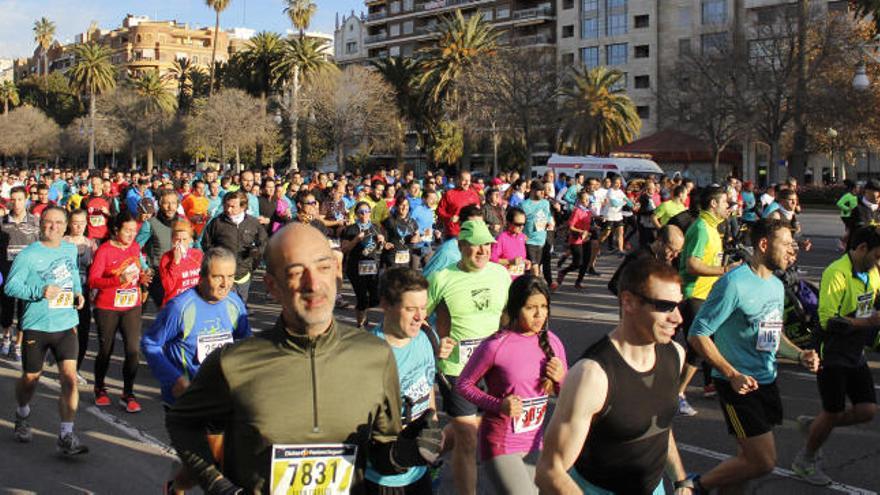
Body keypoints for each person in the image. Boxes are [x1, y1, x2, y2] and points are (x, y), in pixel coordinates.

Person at [165, 223, 442, 494]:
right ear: (272, 287)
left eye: (323, 267)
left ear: (337, 274)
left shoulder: (376, 356)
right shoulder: (232, 363)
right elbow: (182, 422)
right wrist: (216, 483)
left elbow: (381, 452)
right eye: (296, 272)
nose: (313, 284)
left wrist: (403, 453)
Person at [535, 258, 691, 494]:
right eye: (665, 306)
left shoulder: (675, 355)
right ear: (628, 302)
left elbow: (659, 425)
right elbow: (549, 471)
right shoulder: (592, 376)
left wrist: (680, 480)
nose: (678, 318)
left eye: (679, 305)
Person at [687, 219, 820, 493]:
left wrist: (799, 355)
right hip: (738, 386)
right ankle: (692, 485)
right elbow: (698, 333)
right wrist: (731, 374)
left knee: (746, 461)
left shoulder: (776, 285)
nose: (791, 251)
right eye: (785, 244)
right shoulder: (733, 284)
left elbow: (772, 336)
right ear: (763, 244)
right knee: (763, 461)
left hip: (766, 382)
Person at [142, 247, 250, 495]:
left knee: (213, 458)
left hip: (222, 395)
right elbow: (150, 343)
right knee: (210, 459)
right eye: (218, 277)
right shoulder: (180, 307)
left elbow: (245, 342)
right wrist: (174, 379)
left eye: (231, 277)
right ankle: (177, 486)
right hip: (185, 398)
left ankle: (175, 486)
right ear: (202, 276)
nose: (226, 284)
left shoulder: (234, 303)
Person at [457, 275, 567, 494]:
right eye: (531, 308)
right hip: (501, 442)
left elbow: (568, 396)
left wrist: (561, 379)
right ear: (516, 307)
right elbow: (464, 384)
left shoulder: (553, 342)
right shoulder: (496, 345)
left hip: (535, 443)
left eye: (544, 307)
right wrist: (498, 405)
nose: (539, 315)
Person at [426, 219, 511, 495]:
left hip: (494, 367)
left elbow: (508, 317)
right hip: (457, 368)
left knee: (476, 425)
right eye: (475, 246)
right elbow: (417, 315)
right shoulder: (442, 277)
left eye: (487, 244)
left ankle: (425, 456)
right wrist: (435, 342)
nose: (482, 251)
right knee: (468, 440)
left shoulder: (500, 274)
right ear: (461, 246)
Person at [791, 226, 880, 486]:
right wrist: (870, 322)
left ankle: (815, 426)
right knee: (832, 410)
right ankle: (804, 461)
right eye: (876, 256)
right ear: (861, 248)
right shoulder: (836, 273)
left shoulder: (872, 272)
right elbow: (829, 321)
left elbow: (873, 302)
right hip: (830, 351)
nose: (878, 262)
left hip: (855, 350)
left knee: (866, 410)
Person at [8, 207, 88, 455]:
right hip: (37, 326)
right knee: (31, 378)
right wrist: (38, 292)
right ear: (41, 224)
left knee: (69, 378)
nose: (53, 226)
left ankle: (66, 435)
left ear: (65, 226)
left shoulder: (68, 249)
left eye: (58, 222)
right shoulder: (28, 255)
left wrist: (78, 292)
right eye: (48, 222)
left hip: (65, 323)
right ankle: (22, 413)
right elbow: (10, 286)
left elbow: (73, 273)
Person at [365, 267, 449, 494]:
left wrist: (433, 427)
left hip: (419, 471)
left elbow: (428, 386)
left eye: (423, 308)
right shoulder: (369, 355)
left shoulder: (424, 337)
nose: (420, 316)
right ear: (386, 304)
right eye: (410, 309)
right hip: (384, 478)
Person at [677, 186, 738, 416]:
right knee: (698, 346)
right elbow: (692, 264)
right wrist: (724, 270)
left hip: (707, 294)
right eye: (725, 203)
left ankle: (710, 384)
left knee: (707, 343)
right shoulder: (702, 228)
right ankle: (678, 393)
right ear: (713, 204)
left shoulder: (712, 228)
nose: (728, 207)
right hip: (694, 294)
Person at [88, 212, 153, 413]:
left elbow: (135, 270)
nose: (131, 234)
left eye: (134, 230)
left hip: (131, 305)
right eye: (127, 230)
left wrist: (142, 278)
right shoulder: (104, 250)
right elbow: (93, 280)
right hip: (107, 307)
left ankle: (128, 393)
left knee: (133, 350)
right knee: (105, 351)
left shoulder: (134, 247)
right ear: (116, 230)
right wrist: (118, 280)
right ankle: (99, 387)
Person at [201, 190, 267, 305]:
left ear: (243, 207)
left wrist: (255, 253)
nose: (228, 209)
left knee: (239, 306)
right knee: (222, 305)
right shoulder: (217, 222)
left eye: (232, 206)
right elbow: (206, 243)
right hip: (222, 274)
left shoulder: (253, 223)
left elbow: (264, 242)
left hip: (243, 274)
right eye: (226, 206)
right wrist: (217, 257)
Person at [0, 186, 40, 362]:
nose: (16, 203)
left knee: (25, 310)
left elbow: (40, 248)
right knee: (6, 309)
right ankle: (6, 336)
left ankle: (18, 343)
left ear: (26, 200)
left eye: (20, 199)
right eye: (13, 199)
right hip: (6, 273)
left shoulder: (35, 222)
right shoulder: (2, 222)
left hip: (27, 276)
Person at [63, 209, 98, 385]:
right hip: (64, 292)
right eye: (75, 222)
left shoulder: (91, 244)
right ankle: (65, 367)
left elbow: (95, 270)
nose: (78, 226)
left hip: (83, 292)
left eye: (82, 222)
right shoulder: (62, 242)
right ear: (69, 223)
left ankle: (76, 369)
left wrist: (94, 290)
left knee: (83, 332)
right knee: (66, 332)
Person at [341, 201, 385, 328]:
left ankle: (363, 315)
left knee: (374, 299)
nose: (364, 214)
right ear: (356, 214)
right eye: (361, 212)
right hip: (355, 267)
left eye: (367, 211)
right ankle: (361, 324)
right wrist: (356, 239)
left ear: (370, 213)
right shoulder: (351, 229)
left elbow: (380, 248)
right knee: (362, 298)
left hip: (372, 266)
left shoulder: (376, 228)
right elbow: (344, 249)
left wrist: (382, 243)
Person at [608, 224, 685, 297]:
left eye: (678, 251)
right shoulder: (638, 258)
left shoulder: (672, 260)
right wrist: (638, 302)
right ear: (659, 241)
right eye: (672, 250)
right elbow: (614, 284)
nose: (675, 255)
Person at [143, 189, 183, 307]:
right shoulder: (150, 223)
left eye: (173, 203)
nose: (170, 207)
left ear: (177, 205)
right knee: (165, 310)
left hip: (178, 274)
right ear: (160, 204)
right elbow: (135, 247)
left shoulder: (183, 222)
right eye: (166, 203)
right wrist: (145, 267)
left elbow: (190, 245)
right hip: (157, 275)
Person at [557, 190, 596, 290]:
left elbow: (589, 224)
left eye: (588, 200)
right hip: (576, 239)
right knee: (577, 263)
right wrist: (581, 231)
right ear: (579, 200)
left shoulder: (588, 211)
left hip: (586, 238)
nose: (587, 202)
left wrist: (595, 224)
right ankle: (563, 272)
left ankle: (578, 282)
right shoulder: (577, 211)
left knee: (586, 262)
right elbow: (571, 227)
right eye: (585, 200)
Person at [159, 219, 203, 307]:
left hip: (194, 303)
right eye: (177, 239)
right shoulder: (166, 258)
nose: (181, 243)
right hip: (174, 305)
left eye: (184, 239)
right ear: (172, 240)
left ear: (191, 240)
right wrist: (176, 262)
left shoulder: (197, 255)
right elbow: (168, 287)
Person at [521, 180, 553, 277]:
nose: (543, 193)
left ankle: (529, 287)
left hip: (542, 240)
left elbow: (548, 217)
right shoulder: (524, 205)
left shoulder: (545, 203)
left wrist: (549, 223)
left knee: (535, 268)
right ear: (533, 190)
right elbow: (519, 222)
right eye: (540, 191)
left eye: (543, 190)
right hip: (529, 241)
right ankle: (536, 289)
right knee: (534, 269)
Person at [382, 196, 422, 270]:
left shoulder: (412, 222)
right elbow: (381, 236)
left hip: (407, 256)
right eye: (401, 204)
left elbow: (418, 236)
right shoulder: (389, 221)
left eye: (406, 205)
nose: (404, 207)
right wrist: (384, 243)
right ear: (396, 206)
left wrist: (417, 238)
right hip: (392, 256)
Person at [490, 207, 530, 279]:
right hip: (505, 280)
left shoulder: (522, 237)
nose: (521, 227)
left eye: (524, 224)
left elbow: (518, 258)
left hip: (519, 280)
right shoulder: (501, 238)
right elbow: (492, 259)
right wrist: (509, 261)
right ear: (508, 223)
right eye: (518, 224)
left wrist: (525, 262)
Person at [436, 171, 480, 238]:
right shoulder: (449, 194)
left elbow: (478, 212)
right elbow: (439, 211)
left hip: (470, 231)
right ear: (458, 180)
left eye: (469, 180)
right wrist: (449, 217)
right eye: (464, 180)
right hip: (454, 232)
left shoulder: (473, 194)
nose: (467, 183)